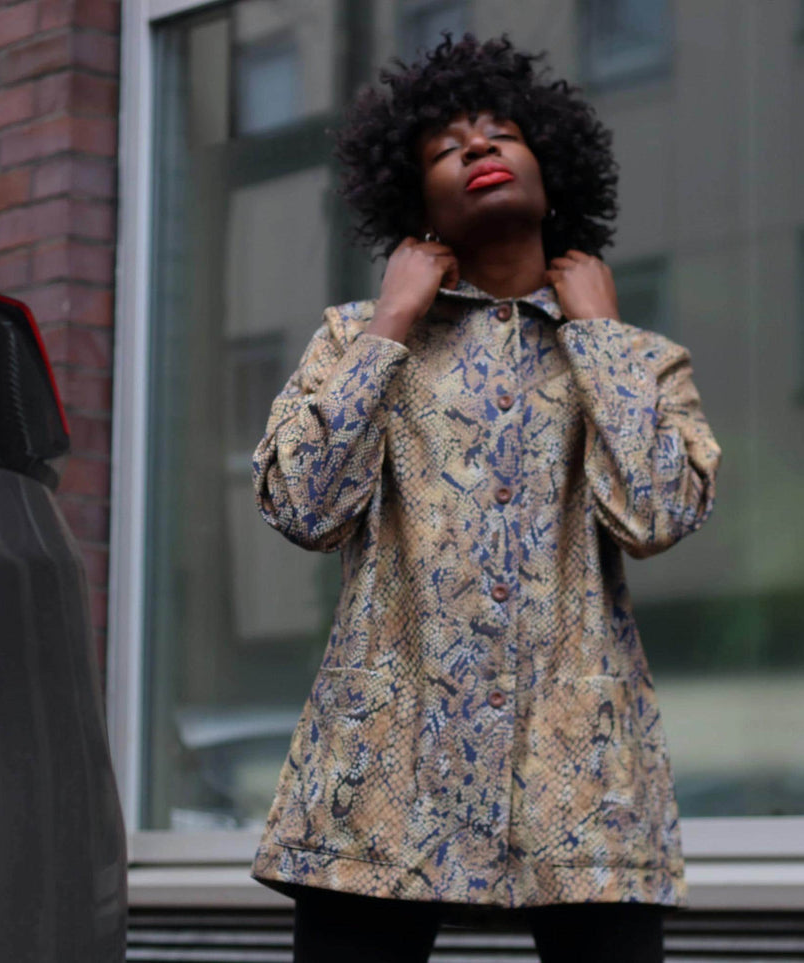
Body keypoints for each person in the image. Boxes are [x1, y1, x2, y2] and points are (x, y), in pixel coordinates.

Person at [248, 33, 722, 963]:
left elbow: (659, 515)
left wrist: (598, 338)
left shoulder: (636, 355)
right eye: (442, 148)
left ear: (551, 163)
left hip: (581, 773)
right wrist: (389, 322)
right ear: (412, 199)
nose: (476, 149)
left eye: (500, 132)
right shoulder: (353, 339)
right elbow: (301, 506)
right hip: (377, 774)